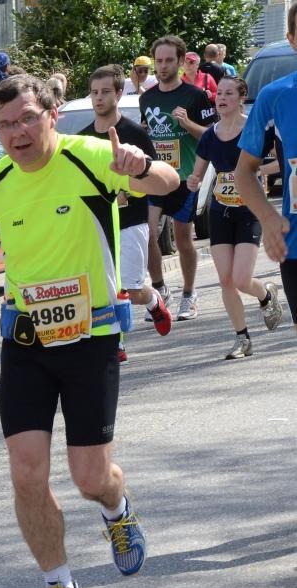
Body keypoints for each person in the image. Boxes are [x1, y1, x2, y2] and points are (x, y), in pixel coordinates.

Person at [0, 74, 179, 588]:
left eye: (25, 119)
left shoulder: (92, 155)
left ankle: (117, 509)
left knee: (90, 477)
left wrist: (138, 168)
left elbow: (169, 183)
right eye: (5, 125)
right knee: (26, 475)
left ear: (52, 113)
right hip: (25, 342)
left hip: (90, 338)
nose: (17, 132)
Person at [79, 64, 172, 363]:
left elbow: (154, 176)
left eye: (105, 92)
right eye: (94, 92)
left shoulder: (134, 134)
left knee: (130, 289)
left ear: (119, 93)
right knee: (104, 288)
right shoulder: (83, 140)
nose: (99, 98)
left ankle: (154, 300)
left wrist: (127, 191)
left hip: (131, 220)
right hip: (98, 224)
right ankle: (115, 342)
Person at [187, 77, 283, 359]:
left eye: (229, 93)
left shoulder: (253, 128)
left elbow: (281, 156)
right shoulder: (209, 135)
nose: (222, 98)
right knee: (226, 280)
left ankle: (265, 294)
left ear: (242, 98)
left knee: (242, 279)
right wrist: (193, 181)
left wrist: (259, 173)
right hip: (221, 211)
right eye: (219, 93)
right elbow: (199, 171)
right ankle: (242, 339)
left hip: (249, 210)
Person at [140, 35, 216, 321]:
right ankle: (160, 290)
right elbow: (148, 133)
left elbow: (211, 136)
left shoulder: (196, 96)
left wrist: (187, 123)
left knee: (183, 237)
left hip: (185, 177)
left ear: (182, 62)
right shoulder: (147, 98)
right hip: (156, 176)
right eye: (158, 61)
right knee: (148, 233)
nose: (162, 66)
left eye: (169, 60)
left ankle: (188, 293)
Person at [235, 3, 297, 332]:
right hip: (296, 242)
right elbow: (243, 171)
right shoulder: (274, 97)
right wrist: (269, 218)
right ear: (292, 40)